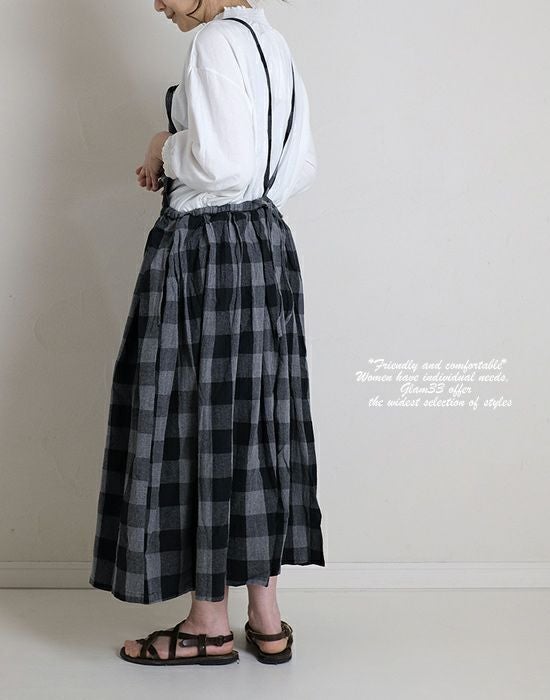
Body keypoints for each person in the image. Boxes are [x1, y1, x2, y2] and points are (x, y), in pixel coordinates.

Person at [88, 0, 325, 666]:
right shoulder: (270, 41)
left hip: (207, 250)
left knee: (199, 423)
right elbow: (299, 165)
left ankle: (207, 624)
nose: (158, 5)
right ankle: (266, 619)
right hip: (264, 240)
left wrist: (161, 147)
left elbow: (219, 166)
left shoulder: (215, 41)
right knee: (256, 425)